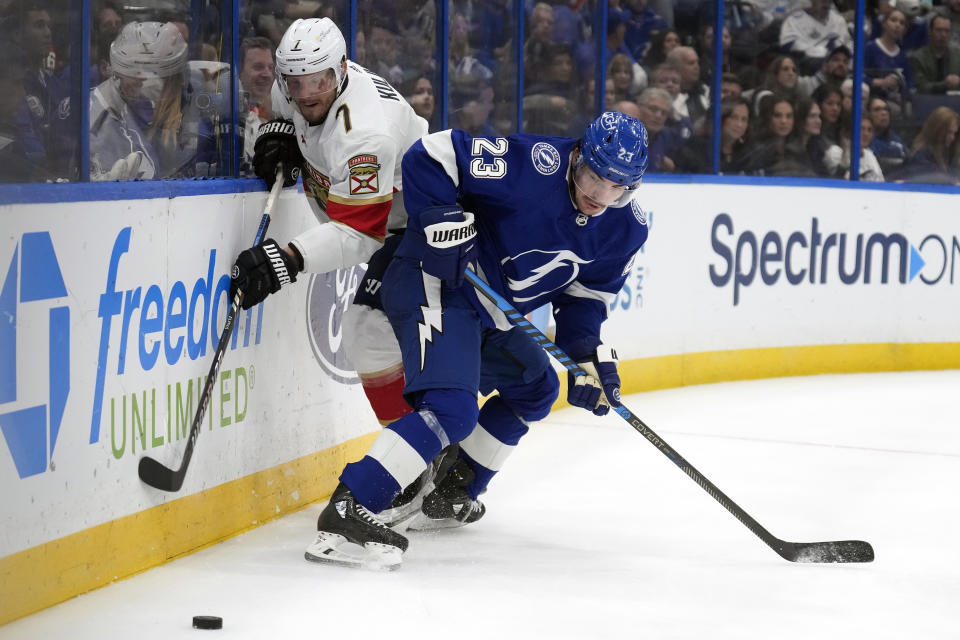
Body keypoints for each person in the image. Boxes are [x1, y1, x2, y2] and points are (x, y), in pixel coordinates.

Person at [305, 111, 650, 569]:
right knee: (452, 409)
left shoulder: (628, 228)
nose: (598, 195)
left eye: (615, 188)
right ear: (579, 156)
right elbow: (432, 154)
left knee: (537, 387)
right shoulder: (535, 165)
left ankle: (451, 492)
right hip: (437, 281)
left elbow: (582, 303)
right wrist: (440, 218)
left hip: (490, 311)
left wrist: (586, 357)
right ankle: (350, 506)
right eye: (592, 177)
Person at [229, 19, 428, 434]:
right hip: (385, 220)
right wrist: (277, 132)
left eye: (317, 82)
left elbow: (359, 233)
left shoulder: (365, 135)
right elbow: (286, 112)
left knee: (368, 333)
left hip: (418, 224)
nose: (305, 96)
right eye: (295, 83)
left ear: (340, 70)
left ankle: (418, 449)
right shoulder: (295, 87)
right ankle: (418, 448)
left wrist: (287, 259)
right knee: (371, 338)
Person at [89, 21, 225, 180]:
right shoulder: (95, 109)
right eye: (133, 67)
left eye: (153, 71)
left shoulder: (199, 124)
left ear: (175, 79)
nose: (143, 78)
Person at [779, 0, 854, 69]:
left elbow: (848, 46)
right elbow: (788, 46)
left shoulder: (838, 20)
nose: (826, 3)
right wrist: (823, 49)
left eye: (829, 1)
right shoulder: (793, 21)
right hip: (807, 69)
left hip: (838, 70)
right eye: (822, 1)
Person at [238, 36, 276, 175]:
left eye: (270, 68)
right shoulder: (228, 112)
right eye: (258, 67)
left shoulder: (275, 110)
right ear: (240, 70)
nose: (267, 74)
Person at [909, 14, 960, 94]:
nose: (943, 35)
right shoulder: (918, 57)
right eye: (939, 30)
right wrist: (944, 85)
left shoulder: (958, 55)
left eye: (947, 31)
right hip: (926, 102)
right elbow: (921, 87)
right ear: (930, 32)